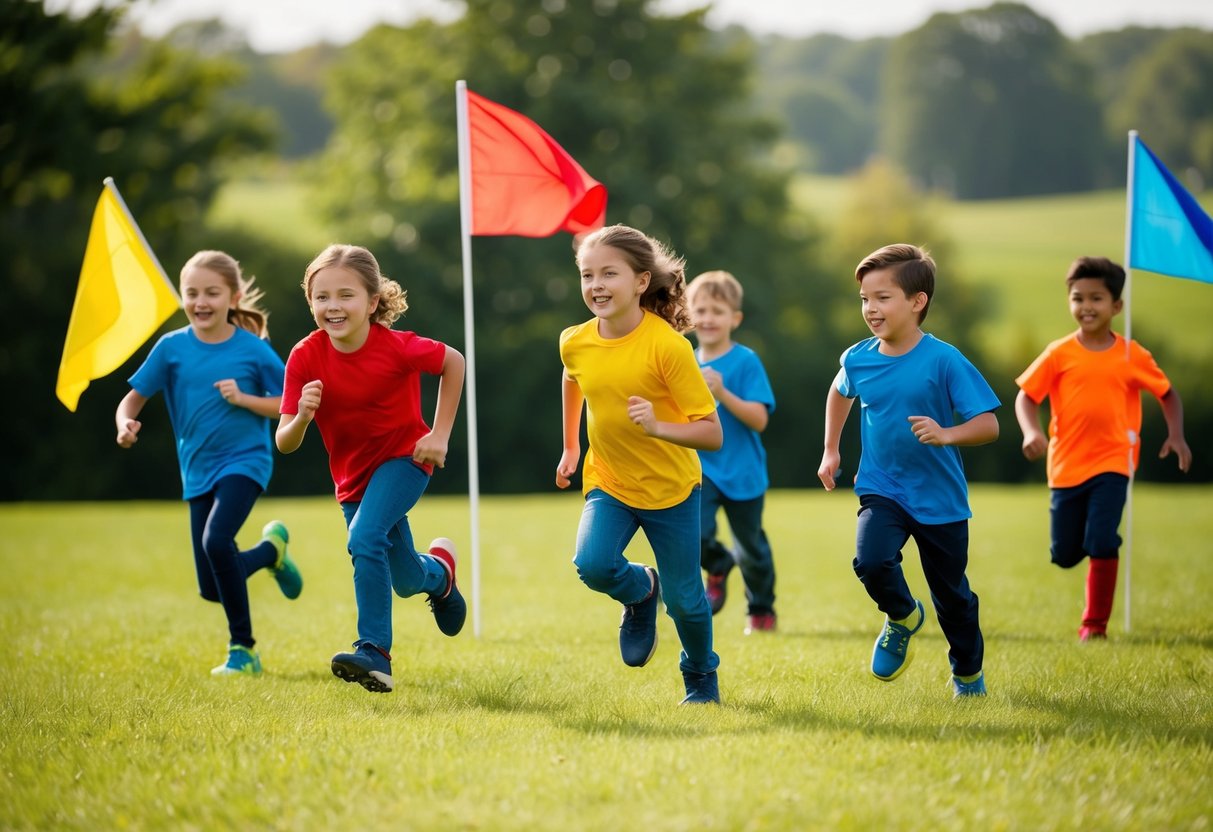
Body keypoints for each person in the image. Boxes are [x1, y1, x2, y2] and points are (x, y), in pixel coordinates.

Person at [276, 243, 466, 695]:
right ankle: (438, 577)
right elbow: (284, 442)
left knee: (363, 538)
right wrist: (301, 415)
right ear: (310, 302)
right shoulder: (305, 356)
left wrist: (438, 435)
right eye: (321, 297)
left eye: (346, 295)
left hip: (406, 459)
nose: (333, 306)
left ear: (373, 301)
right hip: (353, 481)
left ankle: (374, 653)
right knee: (404, 580)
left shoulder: (397, 347)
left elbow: (452, 362)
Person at [816, 243, 1000, 698]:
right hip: (883, 487)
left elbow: (989, 424)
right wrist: (831, 450)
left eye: (883, 297)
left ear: (917, 302)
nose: (870, 309)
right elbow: (840, 393)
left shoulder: (944, 360)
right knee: (871, 561)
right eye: (864, 298)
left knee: (953, 598)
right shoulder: (858, 358)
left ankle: (968, 676)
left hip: (940, 498)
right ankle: (902, 616)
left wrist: (947, 434)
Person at [556, 224, 724, 705]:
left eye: (610, 273)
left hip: (672, 488)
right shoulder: (575, 340)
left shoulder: (668, 347)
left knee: (688, 602)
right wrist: (571, 447)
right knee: (592, 564)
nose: (596, 285)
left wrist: (658, 427)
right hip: (609, 480)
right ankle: (639, 590)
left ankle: (699, 677)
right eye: (588, 275)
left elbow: (711, 432)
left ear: (641, 281)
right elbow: (572, 379)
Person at [115, 250, 302, 677]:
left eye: (212, 293)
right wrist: (125, 422)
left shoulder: (252, 350)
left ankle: (244, 650)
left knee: (217, 541)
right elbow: (133, 398)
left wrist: (244, 399)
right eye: (192, 293)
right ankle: (271, 551)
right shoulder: (171, 348)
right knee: (212, 586)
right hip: (196, 470)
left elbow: (286, 405)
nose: (201, 301)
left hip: (245, 462)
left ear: (233, 297)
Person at [1014, 256, 1191, 641]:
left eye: (1097, 298)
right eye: (1078, 298)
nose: (1086, 307)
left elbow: (1168, 394)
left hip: (1114, 461)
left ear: (1117, 306)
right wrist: (1032, 432)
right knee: (1064, 553)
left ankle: (1094, 626)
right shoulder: (1059, 353)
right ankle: (1088, 548)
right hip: (1065, 466)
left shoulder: (1132, 355)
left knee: (1102, 540)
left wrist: (1175, 435)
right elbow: (1026, 397)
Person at [685, 270, 778, 634]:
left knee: (752, 549)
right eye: (700, 310)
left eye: (717, 311)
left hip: (743, 473)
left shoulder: (746, 362)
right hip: (700, 469)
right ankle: (719, 562)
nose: (708, 319)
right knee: (693, 534)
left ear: (734, 319)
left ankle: (760, 609)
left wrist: (722, 393)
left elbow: (759, 420)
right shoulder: (684, 360)